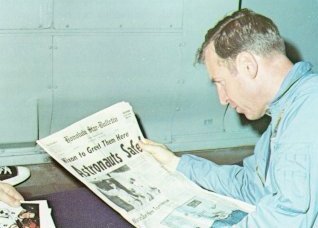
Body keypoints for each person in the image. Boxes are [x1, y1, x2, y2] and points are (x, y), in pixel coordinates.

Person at [140, 8, 318, 227]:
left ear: (247, 65)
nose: (222, 99)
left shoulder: (310, 110)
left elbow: (286, 219)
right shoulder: (287, 111)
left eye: (220, 82)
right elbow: (250, 186)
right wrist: (177, 164)